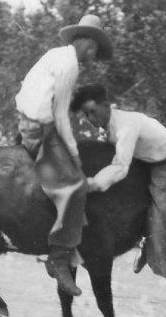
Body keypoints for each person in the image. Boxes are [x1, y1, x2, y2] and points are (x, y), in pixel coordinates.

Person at [14, 15, 113, 296]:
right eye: (93, 49)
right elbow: (60, 115)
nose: (93, 57)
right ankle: (58, 259)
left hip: (26, 119)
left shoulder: (55, 55)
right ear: (83, 41)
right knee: (76, 185)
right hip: (40, 128)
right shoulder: (69, 65)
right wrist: (74, 154)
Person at [70, 84, 166, 278]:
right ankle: (143, 240)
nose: (91, 119)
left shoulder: (125, 127)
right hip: (141, 159)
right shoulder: (107, 127)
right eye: (86, 115)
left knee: (160, 220)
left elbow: (121, 167)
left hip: (164, 163)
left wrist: (92, 183)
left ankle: (164, 264)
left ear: (106, 105)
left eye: (93, 112)